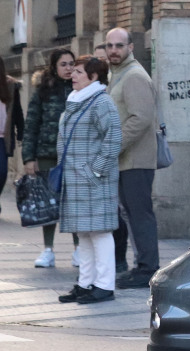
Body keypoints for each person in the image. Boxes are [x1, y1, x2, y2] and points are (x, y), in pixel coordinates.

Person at [56, 56, 122, 305]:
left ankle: (104, 286)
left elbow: (114, 138)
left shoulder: (101, 102)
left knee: (100, 233)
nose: (73, 75)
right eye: (73, 71)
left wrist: (95, 171)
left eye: (79, 72)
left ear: (93, 77)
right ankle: (85, 283)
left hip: (93, 180)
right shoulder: (75, 100)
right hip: (75, 179)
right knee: (84, 233)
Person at [104, 27, 160, 289]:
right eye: (110, 46)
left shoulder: (134, 75)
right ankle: (142, 266)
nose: (113, 50)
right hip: (125, 160)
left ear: (130, 48)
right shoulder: (117, 74)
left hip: (135, 160)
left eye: (119, 45)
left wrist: (114, 146)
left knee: (140, 215)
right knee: (132, 215)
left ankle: (148, 268)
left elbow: (140, 118)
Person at [22, 48, 77, 267]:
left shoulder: (79, 89)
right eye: (63, 64)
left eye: (71, 63)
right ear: (54, 67)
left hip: (73, 156)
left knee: (73, 204)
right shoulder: (43, 91)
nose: (68, 68)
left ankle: (79, 249)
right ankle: (48, 250)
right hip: (47, 155)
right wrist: (29, 157)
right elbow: (31, 125)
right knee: (47, 203)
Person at [95, 43, 129, 272]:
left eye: (103, 61)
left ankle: (118, 260)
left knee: (116, 212)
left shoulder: (117, 83)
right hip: (97, 158)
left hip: (114, 157)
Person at [1, 56, 23, 210]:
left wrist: (21, 132)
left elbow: (17, 112)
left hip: (2, 137)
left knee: (2, 172)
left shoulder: (10, 86)